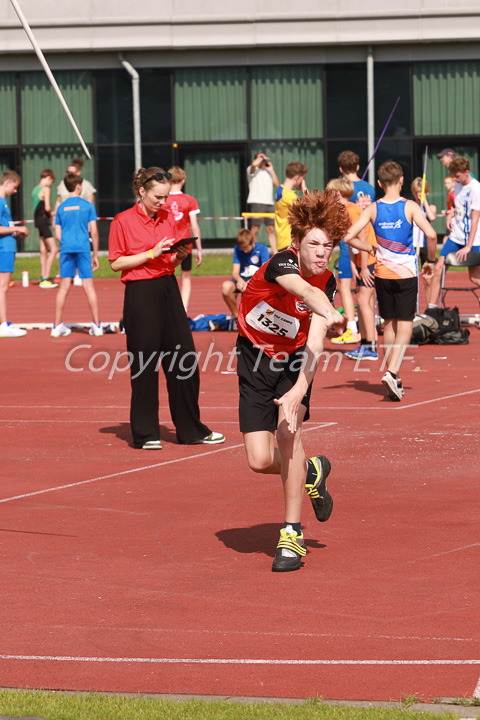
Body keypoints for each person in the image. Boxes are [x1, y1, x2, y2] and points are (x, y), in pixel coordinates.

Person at [236, 189, 358, 573]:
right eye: (314, 244)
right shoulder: (281, 265)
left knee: (289, 436)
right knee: (258, 460)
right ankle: (311, 471)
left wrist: (299, 391)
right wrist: (334, 312)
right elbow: (304, 292)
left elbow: (316, 344)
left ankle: (291, 534)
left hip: (292, 363)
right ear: (296, 244)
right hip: (254, 357)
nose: (323, 252)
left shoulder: (327, 281)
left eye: (329, 245)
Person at [108, 166, 225, 450]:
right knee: (145, 364)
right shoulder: (121, 221)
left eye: (166, 196)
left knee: (184, 360)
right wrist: (150, 253)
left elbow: (167, 261)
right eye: (158, 197)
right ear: (142, 192)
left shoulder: (167, 218)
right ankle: (146, 433)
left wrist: (178, 255)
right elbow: (116, 263)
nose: (163, 202)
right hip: (140, 293)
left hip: (168, 288)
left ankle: (191, 430)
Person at [344, 161, 437, 402]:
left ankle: (391, 373)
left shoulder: (373, 208)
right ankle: (392, 370)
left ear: (379, 183)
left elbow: (348, 237)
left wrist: (372, 248)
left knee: (389, 324)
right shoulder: (410, 206)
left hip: (382, 274)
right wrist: (431, 260)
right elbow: (432, 234)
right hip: (405, 273)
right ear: (403, 180)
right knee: (405, 323)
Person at [326, 178, 378, 360]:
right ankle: (365, 343)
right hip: (362, 259)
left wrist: (363, 266)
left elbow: (363, 239)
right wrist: (355, 264)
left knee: (364, 301)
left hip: (369, 258)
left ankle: (370, 345)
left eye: (330, 193)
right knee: (363, 300)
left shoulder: (352, 210)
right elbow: (351, 241)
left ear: (338, 194)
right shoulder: (344, 210)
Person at [52, 174, 103, 338]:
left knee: (64, 287)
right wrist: (95, 254)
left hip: (66, 248)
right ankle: (96, 325)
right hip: (82, 248)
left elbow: (57, 232)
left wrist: (67, 241)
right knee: (89, 286)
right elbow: (94, 232)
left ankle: (57, 325)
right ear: (79, 187)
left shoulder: (61, 207)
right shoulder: (87, 205)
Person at [428, 156, 480, 309]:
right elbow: (459, 209)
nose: (455, 179)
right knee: (438, 268)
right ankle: (432, 310)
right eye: (453, 176)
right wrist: (450, 215)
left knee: (475, 278)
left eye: (457, 176)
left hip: (473, 240)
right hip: (455, 237)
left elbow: (475, 219)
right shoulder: (457, 184)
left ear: (466, 172)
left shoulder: (476, 189)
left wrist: (468, 247)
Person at [164, 166, 202, 311]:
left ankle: (168, 307)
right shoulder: (190, 200)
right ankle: (183, 308)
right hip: (185, 244)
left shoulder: (163, 199)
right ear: (183, 180)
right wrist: (199, 248)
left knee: (166, 274)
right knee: (185, 277)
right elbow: (194, 226)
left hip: (167, 243)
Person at [0, 170, 29, 338]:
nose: (16, 191)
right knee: (2, 288)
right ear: (7, 183)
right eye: (15, 187)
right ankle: (3, 324)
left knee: (3, 288)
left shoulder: (3, 201)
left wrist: (14, 231)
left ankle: (3, 322)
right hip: (4, 248)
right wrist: (17, 228)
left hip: (7, 246)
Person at [221, 228, 269, 328]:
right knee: (226, 287)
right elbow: (235, 272)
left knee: (249, 290)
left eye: (247, 247)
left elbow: (265, 271)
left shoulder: (262, 248)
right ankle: (237, 318)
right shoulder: (237, 249)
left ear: (253, 242)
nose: (245, 251)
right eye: (243, 248)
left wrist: (251, 282)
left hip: (256, 280)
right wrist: (239, 280)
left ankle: (251, 319)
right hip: (242, 279)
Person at [411, 177, 437, 306]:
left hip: (425, 245)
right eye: (416, 193)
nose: (417, 195)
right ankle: (412, 308)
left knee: (427, 279)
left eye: (420, 193)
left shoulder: (430, 207)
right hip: (412, 244)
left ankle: (429, 307)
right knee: (411, 279)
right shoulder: (411, 206)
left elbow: (432, 217)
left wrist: (424, 200)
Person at [246, 152, 279, 254]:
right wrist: (261, 158)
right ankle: (251, 249)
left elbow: (277, 183)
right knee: (255, 228)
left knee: (270, 229)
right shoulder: (251, 170)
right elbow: (254, 164)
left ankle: (275, 253)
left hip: (269, 203)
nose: (263, 160)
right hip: (257, 202)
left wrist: (271, 170)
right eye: (260, 158)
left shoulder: (267, 172)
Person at [32, 168, 58, 289]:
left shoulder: (34, 189)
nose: (50, 184)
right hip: (43, 220)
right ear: (49, 178)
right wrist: (53, 213)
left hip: (37, 221)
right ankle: (45, 278)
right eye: (51, 181)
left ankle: (43, 276)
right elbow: (47, 207)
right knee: (54, 249)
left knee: (43, 250)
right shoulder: (46, 189)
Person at [274, 161, 308, 252]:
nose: (302, 181)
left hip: (282, 238)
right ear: (297, 177)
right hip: (289, 239)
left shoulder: (281, 190)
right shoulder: (289, 196)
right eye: (303, 178)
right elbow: (309, 206)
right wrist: (304, 189)